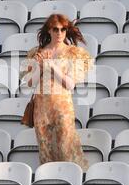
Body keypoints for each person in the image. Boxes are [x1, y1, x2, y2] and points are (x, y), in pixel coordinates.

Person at [21, 14, 92, 170]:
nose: (59, 33)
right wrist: (40, 66)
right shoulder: (37, 52)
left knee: (66, 148)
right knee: (45, 150)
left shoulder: (74, 53)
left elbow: (70, 84)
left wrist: (52, 66)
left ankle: (75, 180)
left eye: (63, 29)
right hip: (41, 108)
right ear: (49, 31)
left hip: (62, 107)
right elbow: (28, 82)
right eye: (55, 29)